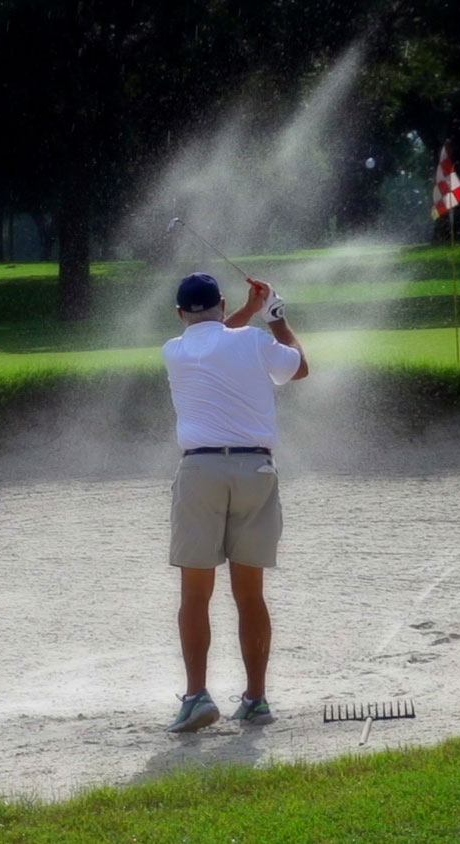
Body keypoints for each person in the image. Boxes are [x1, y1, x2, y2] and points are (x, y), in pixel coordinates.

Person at [162, 271, 309, 733]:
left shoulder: (175, 349)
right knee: (250, 595)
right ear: (223, 305)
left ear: (180, 314)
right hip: (255, 471)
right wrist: (276, 316)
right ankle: (256, 700)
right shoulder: (251, 341)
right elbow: (299, 367)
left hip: (200, 472)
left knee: (195, 594)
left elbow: (215, 335)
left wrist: (248, 312)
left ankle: (196, 697)